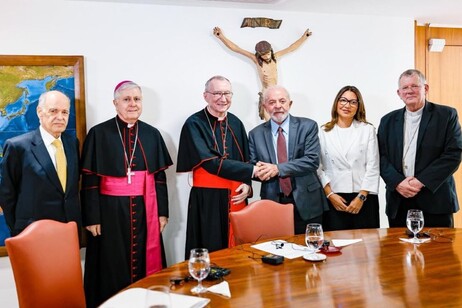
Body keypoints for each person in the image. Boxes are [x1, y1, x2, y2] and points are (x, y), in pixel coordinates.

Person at [80, 81, 173, 307]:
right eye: (126, 99)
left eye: (137, 99)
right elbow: (90, 180)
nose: (133, 104)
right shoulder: (99, 133)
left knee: (143, 260)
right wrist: (92, 217)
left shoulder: (152, 134)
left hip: (145, 210)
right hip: (109, 211)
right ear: (115, 103)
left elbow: (159, 178)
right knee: (110, 264)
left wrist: (162, 213)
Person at [177, 75, 256, 258]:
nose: (223, 98)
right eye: (217, 93)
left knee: (238, 250)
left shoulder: (236, 122)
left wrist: (248, 184)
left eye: (227, 93)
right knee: (210, 249)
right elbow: (211, 164)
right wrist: (252, 172)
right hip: (208, 199)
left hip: (236, 197)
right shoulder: (194, 123)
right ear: (205, 96)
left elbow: (246, 158)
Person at [378, 69, 462, 228]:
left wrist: (420, 181)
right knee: (398, 251)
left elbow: (453, 155)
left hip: (435, 200)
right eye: (405, 88)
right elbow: (380, 157)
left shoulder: (446, 115)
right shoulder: (387, 120)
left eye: (415, 86)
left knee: (438, 252)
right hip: (399, 199)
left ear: (426, 88)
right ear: (399, 92)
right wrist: (397, 182)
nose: (409, 91)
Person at [0, 90, 81, 237]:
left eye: (65, 112)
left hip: (68, 230)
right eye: (53, 111)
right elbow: (7, 195)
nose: (60, 117)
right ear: (39, 112)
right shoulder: (18, 147)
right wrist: (19, 230)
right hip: (32, 233)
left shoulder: (72, 143)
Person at [249, 85, 328, 234]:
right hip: (273, 200)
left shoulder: (308, 126)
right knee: (276, 249)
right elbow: (253, 165)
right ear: (265, 106)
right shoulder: (255, 134)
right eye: (272, 102)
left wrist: (277, 168)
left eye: (282, 101)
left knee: (310, 248)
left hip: (307, 201)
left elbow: (311, 160)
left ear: (289, 104)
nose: (277, 106)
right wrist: (260, 171)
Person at [213, 26, 311, 120]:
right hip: (266, 93)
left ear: (271, 51)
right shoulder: (256, 60)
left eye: (268, 54)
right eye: (264, 55)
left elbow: (291, 48)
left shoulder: (275, 58)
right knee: (268, 121)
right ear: (259, 55)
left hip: (276, 93)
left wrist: (304, 37)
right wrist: (221, 37)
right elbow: (237, 48)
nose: (267, 57)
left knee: (281, 119)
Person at [317, 86, 380, 231]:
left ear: (358, 106)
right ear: (336, 103)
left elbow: (373, 166)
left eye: (353, 102)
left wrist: (361, 197)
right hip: (334, 197)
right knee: (336, 247)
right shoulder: (323, 131)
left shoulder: (367, 130)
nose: (347, 105)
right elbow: (318, 167)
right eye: (343, 100)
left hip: (363, 197)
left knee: (366, 248)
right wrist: (330, 194)